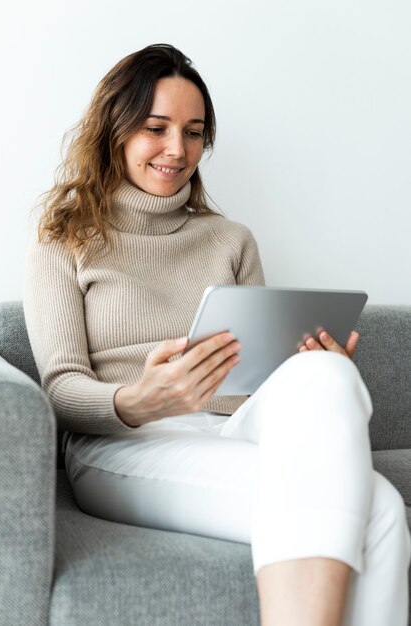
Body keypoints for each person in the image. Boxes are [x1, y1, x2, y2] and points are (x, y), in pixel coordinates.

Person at [24, 43, 410, 626]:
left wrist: (306, 367)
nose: (178, 150)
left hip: (232, 431)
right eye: (157, 128)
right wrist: (138, 400)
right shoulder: (64, 234)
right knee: (378, 507)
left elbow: (257, 385)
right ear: (115, 130)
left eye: (194, 132)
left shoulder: (231, 240)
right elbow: (58, 387)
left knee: (325, 370)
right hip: (120, 447)